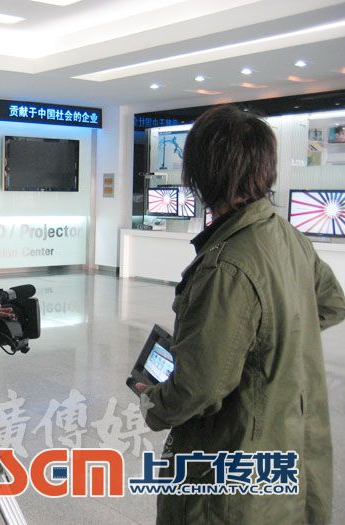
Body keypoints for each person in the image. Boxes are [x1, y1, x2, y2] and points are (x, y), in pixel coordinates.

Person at [136, 105, 345, 524]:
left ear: (201, 173)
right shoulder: (289, 237)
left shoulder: (226, 266)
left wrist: (153, 403)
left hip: (232, 479)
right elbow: (331, 302)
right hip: (290, 457)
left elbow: (199, 387)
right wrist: (270, 341)